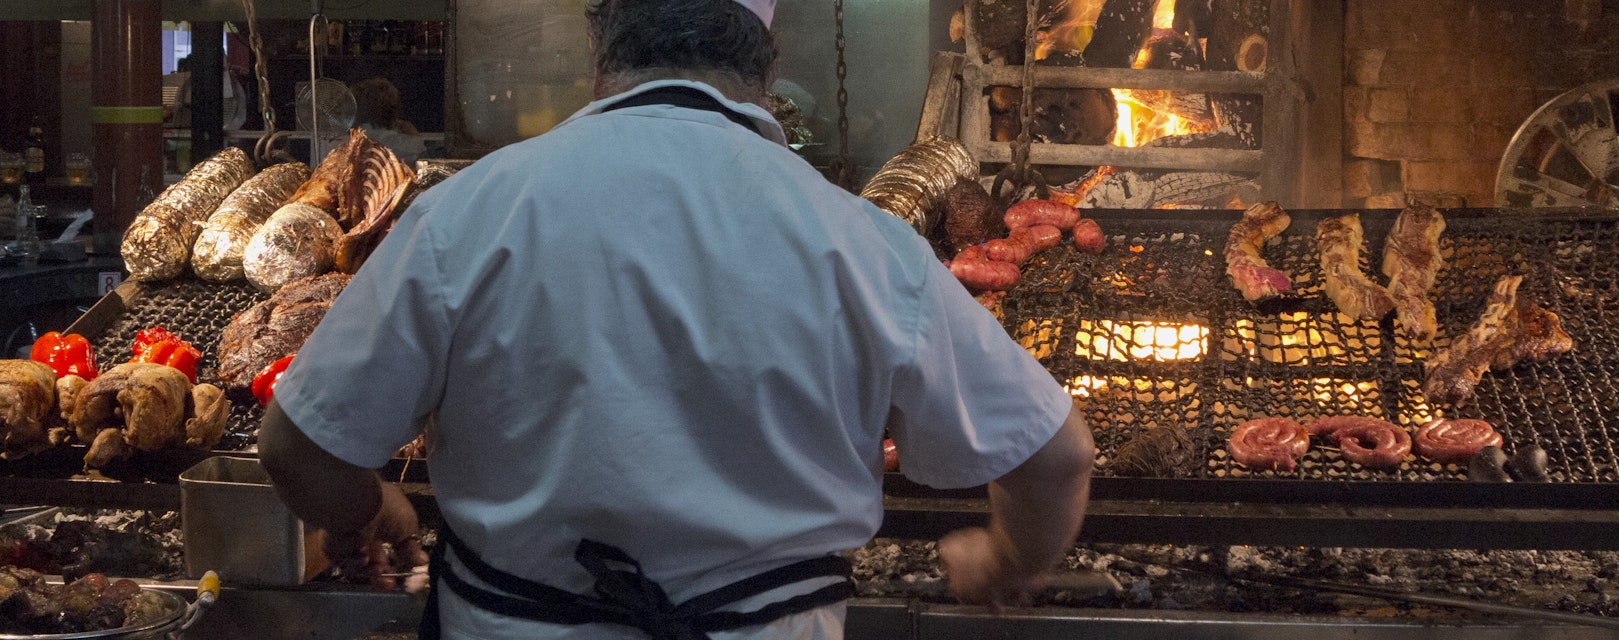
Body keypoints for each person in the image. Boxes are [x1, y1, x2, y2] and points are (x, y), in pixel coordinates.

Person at [256, 0, 1095, 639]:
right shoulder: (859, 240)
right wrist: (1004, 558)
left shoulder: (467, 214)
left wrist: (367, 509)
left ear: (599, 54)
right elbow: (1056, 457)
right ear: (766, 69)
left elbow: (295, 448)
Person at [350, 77, 427, 163]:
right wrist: (414, 135)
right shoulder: (405, 144)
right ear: (392, 109)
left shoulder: (345, 144)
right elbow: (418, 151)